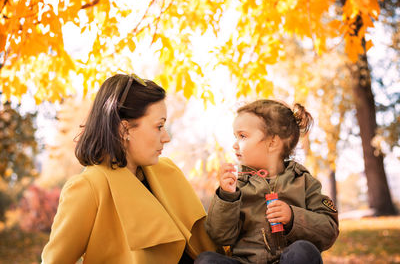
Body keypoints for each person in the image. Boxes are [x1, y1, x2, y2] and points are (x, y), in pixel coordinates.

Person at [42, 74, 216, 264]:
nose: (166, 137)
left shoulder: (168, 171)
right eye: (159, 126)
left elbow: (209, 241)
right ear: (124, 130)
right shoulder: (89, 187)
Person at [195, 99, 339, 264]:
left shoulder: (303, 181)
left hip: (288, 260)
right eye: (235, 136)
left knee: (303, 251)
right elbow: (220, 236)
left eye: (242, 136)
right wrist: (227, 197)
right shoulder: (237, 186)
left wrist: (293, 217)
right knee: (206, 261)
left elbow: (329, 230)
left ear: (272, 142)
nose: (235, 145)